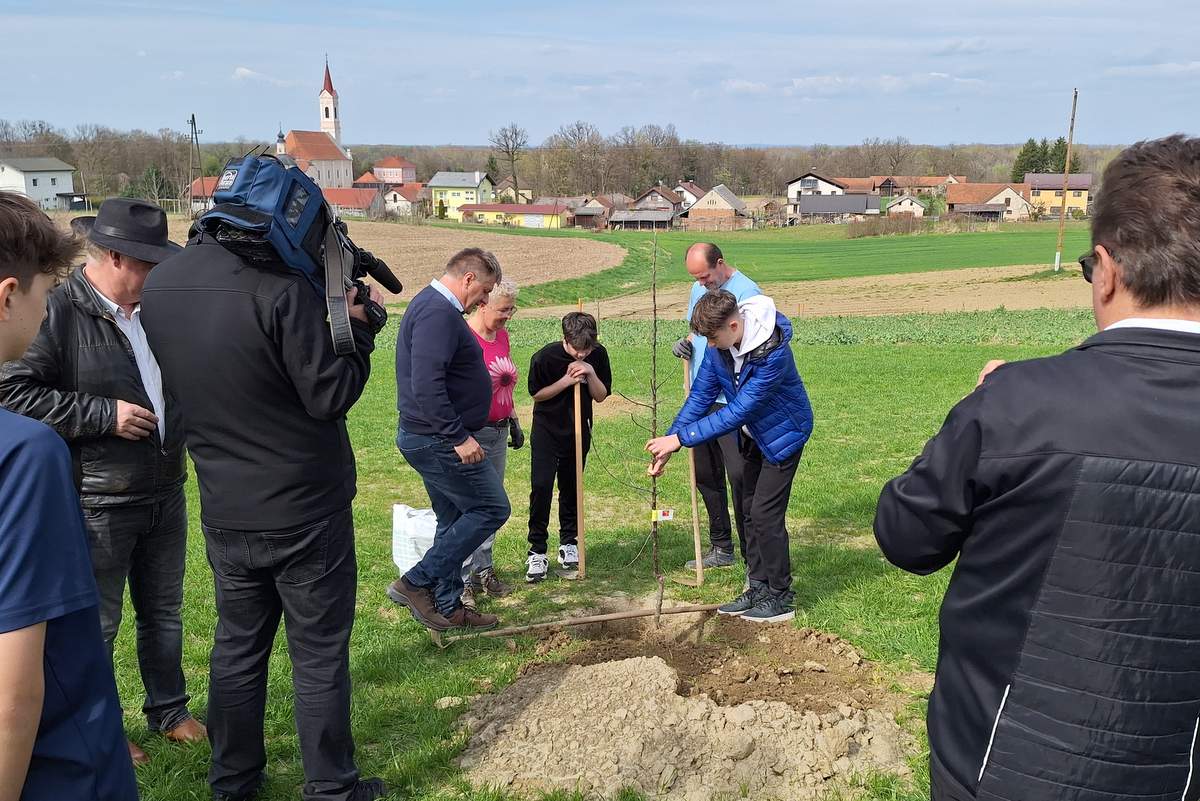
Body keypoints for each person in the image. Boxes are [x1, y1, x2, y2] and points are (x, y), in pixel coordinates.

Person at [874, 135, 1200, 801]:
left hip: (1001, 769)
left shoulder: (1018, 405)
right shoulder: (1019, 406)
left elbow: (906, 536)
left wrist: (978, 413)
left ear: (1106, 269)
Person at [139, 217, 387, 800]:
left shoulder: (160, 287)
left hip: (225, 503)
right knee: (319, 653)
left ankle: (233, 784)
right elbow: (329, 394)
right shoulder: (281, 290)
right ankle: (330, 788)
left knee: (237, 649)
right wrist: (359, 329)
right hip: (306, 509)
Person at [0, 197, 205, 766]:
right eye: (148, 264)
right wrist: (102, 415)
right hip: (99, 499)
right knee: (100, 624)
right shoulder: (56, 311)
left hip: (165, 487)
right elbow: (12, 393)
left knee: (164, 613)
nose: (157, 275)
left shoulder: (156, 312)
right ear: (114, 256)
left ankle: (170, 710)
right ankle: (103, 725)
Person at [0, 191, 137, 800]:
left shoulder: (148, 315)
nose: (47, 305)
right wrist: (103, 414)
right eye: (41, 293)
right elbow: (13, 692)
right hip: (54, 768)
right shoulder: (24, 455)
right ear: (7, 297)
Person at [647, 290, 812, 623]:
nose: (709, 345)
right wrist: (670, 438)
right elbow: (701, 396)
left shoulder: (772, 354)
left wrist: (681, 440)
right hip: (752, 436)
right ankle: (757, 587)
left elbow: (738, 411)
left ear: (734, 326)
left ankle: (781, 597)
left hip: (783, 436)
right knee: (747, 512)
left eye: (712, 337)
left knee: (765, 515)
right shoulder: (719, 348)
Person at [389, 248, 510, 632]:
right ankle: (416, 582)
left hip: (433, 436)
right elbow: (426, 384)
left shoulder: (436, 309)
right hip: (437, 439)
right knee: (492, 509)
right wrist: (457, 436)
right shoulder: (436, 313)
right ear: (469, 278)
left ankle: (447, 606)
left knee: (453, 516)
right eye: (486, 290)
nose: (487, 300)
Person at [671, 242, 761, 569]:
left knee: (739, 476)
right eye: (695, 278)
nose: (701, 283)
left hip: (733, 402)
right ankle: (721, 546)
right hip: (702, 396)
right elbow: (698, 331)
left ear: (720, 264)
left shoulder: (748, 293)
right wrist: (686, 343)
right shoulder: (699, 289)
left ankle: (754, 556)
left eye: (705, 276)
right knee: (706, 475)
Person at [524, 312, 612, 582]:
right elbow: (536, 393)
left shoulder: (597, 355)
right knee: (541, 487)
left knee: (572, 487)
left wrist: (590, 372)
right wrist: (566, 381)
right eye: (578, 350)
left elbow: (600, 396)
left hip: (577, 431)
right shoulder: (544, 357)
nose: (582, 354)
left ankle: (569, 542)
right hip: (547, 431)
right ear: (565, 339)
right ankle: (537, 550)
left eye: (587, 349)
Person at [460, 279, 523, 610]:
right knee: (471, 506)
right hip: (472, 434)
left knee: (493, 504)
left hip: (498, 431)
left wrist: (513, 420)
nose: (508, 316)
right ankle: (463, 577)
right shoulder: (463, 338)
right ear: (482, 304)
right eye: (503, 309)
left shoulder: (502, 336)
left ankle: (484, 569)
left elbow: (505, 382)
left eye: (512, 309)